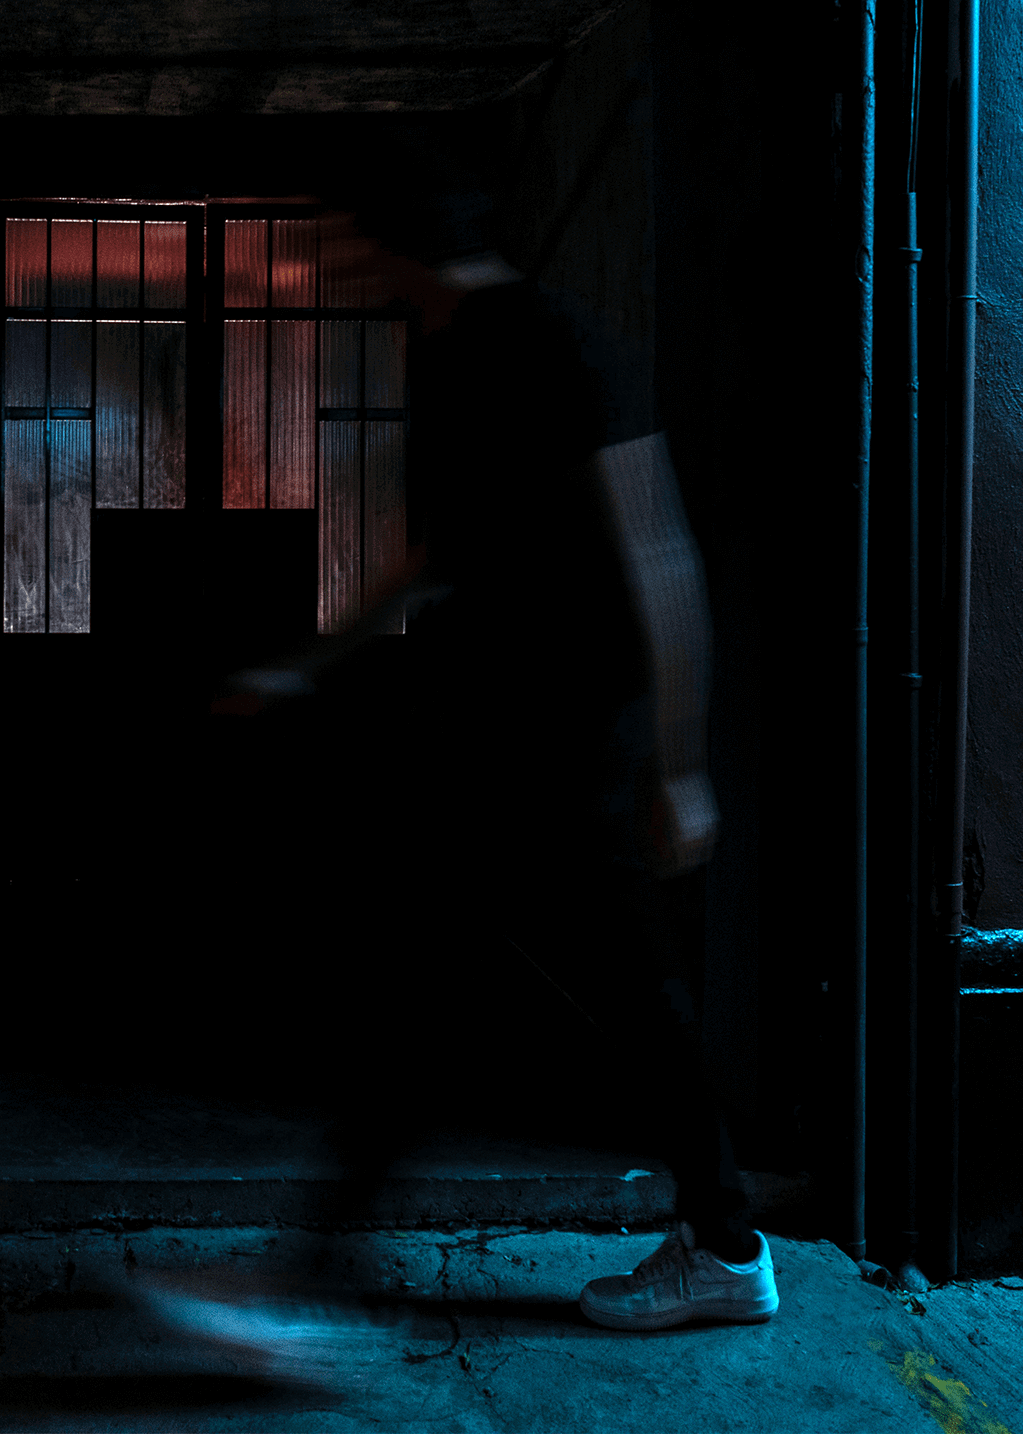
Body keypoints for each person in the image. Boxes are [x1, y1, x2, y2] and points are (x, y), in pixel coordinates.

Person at [139, 190, 776, 1371]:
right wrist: (302, 664)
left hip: (568, 743)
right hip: (501, 739)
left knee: (488, 990)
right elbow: (432, 556)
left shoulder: (554, 343)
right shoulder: (446, 361)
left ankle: (319, 1279)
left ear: (399, 243)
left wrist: (681, 759)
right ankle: (719, 1242)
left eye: (342, 244)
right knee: (488, 989)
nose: (329, 269)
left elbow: (656, 544)